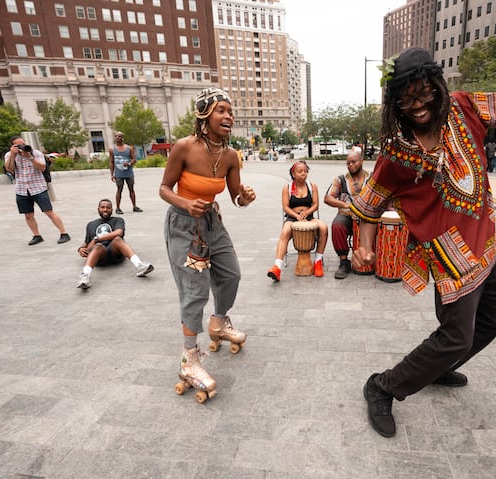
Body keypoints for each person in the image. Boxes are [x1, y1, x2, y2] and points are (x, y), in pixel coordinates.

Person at [351, 8, 496, 438]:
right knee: (455, 337)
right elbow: (368, 206)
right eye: (405, 100)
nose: (416, 106)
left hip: (486, 238)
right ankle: (384, 386)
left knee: (495, 318)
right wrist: (366, 245)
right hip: (449, 252)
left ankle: (435, 369)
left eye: (423, 94)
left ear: (436, 85)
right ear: (395, 104)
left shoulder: (464, 110)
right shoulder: (397, 154)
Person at [159, 87, 257, 401]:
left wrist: (246, 197)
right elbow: (164, 188)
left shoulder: (230, 155)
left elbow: (236, 196)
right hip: (184, 226)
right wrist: (185, 204)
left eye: (230, 111)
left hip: (212, 223)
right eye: (221, 110)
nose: (228, 116)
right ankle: (190, 359)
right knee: (194, 291)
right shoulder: (184, 147)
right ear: (204, 114)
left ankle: (218, 322)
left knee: (231, 274)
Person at [267, 161, 329, 281]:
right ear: (293, 173)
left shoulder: (312, 186)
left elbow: (316, 204)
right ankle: (277, 267)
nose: (303, 174)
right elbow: (285, 207)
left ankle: (317, 262)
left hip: (309, 217)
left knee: (324, 228)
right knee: (285, 232)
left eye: (305, 171)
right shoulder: (287, 187)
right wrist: (296, 216)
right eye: (300, 171)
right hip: (292, 217)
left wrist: (307, 212)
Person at [5, 135, 71, 245]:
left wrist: (29, 157)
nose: (22, 147)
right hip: (21, 189)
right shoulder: (9, 155)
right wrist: (12, 154)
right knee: (28, 215)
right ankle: (37, 235)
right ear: (12, 146)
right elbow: (9, 169)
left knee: (49, 212)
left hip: (38, 187)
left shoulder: (35, 153)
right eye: (18, 145)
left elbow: (42, 167)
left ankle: (64, 233)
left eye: (23, 144)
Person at [76, 198, 154, 289]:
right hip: (100, 254)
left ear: (112, 210)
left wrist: (97, 238)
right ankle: (85, 276)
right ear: (98, 209)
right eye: (102, 207)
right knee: (98, 246)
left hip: (115, 251)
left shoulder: (118, 220)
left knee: (117, 239)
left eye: (108, 208)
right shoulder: (91, 224)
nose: (105, 209)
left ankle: (139, 266)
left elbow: (119, 232)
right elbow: (86, 243)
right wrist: (80, 249)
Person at [324, 149, 369, 279]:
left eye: (353, 162)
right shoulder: (340, 179)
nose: (350, 165)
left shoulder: (372, 178)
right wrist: (345, 205)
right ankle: (344, 262)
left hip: (368, 216)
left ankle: (375, 258)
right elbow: (328, 198)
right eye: (348, 163)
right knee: (337, 226)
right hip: (347, 214)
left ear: (361, 161)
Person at [109, 131, 141, 214]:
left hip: (128, 172)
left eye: (119, 136)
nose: (117, 138)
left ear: (122, 137)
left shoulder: (129, 148)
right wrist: (112, 174)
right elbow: (111, 162)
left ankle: (134, 206)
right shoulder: (112, 149)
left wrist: (129, 163)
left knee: (131, 189)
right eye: (116, 136)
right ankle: (118, 208)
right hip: (119, 173)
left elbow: (134, 159)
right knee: (119, 189)